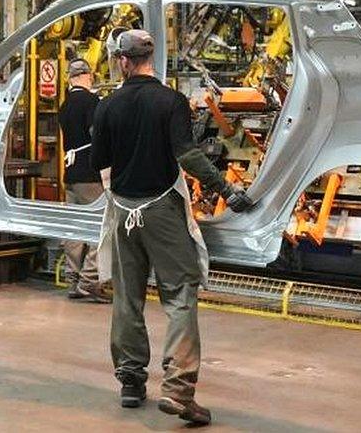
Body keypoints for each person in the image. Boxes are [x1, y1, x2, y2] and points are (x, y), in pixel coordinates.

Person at [90, 29, 253, 426]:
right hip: (161, 209)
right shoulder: (172, 101)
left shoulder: (107, 106)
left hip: (123, 212)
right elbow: (188, 155)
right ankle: (179, 391)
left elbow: (101, 163)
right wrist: (227, 190)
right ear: (150, 58)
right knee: (180, 295)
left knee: (127, 296)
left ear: (123, 61)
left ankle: (130, 382)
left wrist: (120, 193)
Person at [56, 58, 109, 303]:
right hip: (90, 174)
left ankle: (73, 280)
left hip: (71, 174)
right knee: (100, 227)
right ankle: (90, 280)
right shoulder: (91, 101)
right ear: (87, 76)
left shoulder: (64, 105)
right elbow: (97, 134)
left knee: (74, 229)